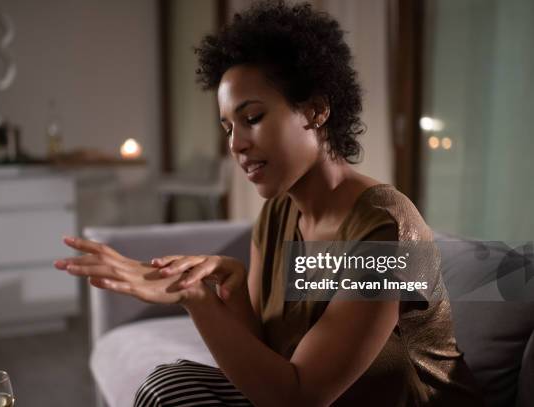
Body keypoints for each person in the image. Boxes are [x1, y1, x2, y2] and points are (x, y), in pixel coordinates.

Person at [54, 1, 484, 406]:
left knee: (174, 390)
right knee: (172, 382)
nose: (236, 144)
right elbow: (266, 360)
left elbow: (298, 398)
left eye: (252, 118)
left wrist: (196, 301)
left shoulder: (386, 229)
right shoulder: (279, 214)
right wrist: (234, 292)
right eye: (227, 126)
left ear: (314, 110)